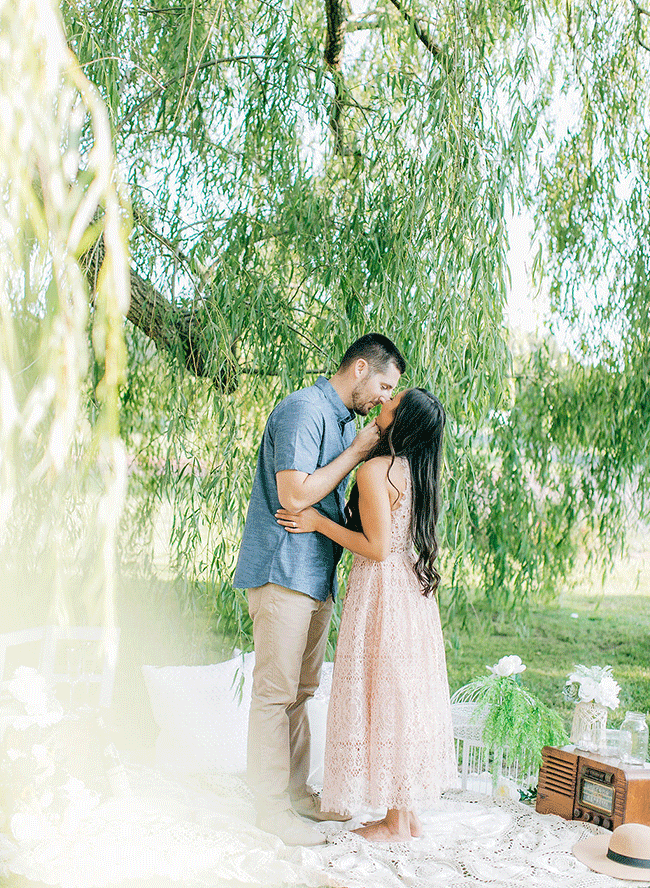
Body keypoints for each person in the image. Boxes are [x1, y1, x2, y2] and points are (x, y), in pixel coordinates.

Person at [234, 334, 406, 847]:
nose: (383, 398)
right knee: (275, 694)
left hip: (314, 575)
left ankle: (296, 794)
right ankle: (269, 810)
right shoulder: (303, 410)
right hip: (282, 571)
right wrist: (356, 453)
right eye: (384, 385)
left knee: (301, 692)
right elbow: (294, 493)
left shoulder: (339, 421)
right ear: (359, 368)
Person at [276, 387, 457, 842]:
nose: (381, 407)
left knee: (384, 692)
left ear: (401, 423)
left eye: (390, 407)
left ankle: (396, 823)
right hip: (412, 594)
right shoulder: (419, 472)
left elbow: (376, 548)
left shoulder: (376, 471)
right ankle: (405, 815)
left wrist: (319, 523)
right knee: (403, 696)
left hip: (383, 594)